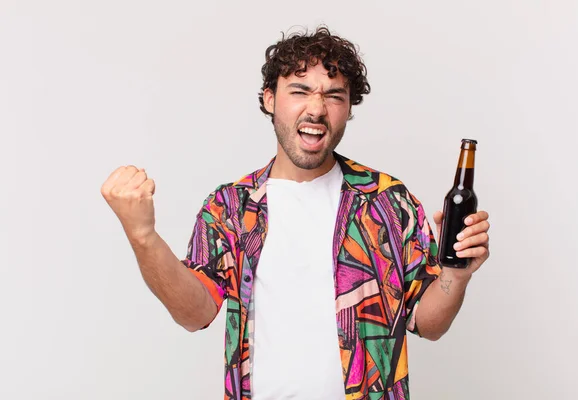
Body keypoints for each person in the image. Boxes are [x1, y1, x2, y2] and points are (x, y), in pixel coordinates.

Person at [101, 26, 491, 400]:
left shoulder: (388, 201)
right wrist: (143, 237)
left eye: (335, 96)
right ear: (270, 98)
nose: (317, 109)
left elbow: (428, 323)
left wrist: (456, 276)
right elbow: (194, 313)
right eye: (300, 91)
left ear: (348, 108)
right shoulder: (230, 208)